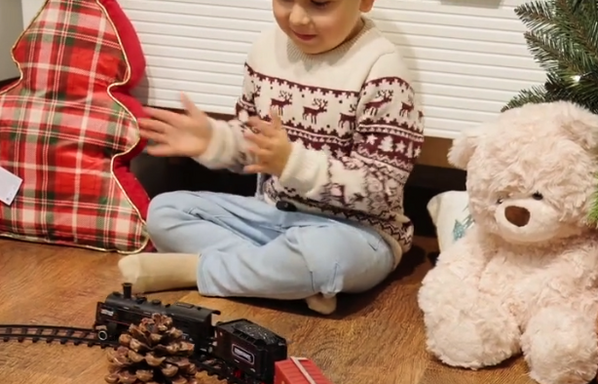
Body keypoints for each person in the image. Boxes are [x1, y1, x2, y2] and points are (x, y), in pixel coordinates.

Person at [119, 0, 424, 315]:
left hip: (355, 232)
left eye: (320, 2)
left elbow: (382, 189)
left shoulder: (384, 71)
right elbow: (254, 146)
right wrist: (216, 141)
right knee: (164, 212)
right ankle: (286, 281)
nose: (298, 18)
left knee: (323, 257)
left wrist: (293, 164)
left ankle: (200, 270)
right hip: (272, 216)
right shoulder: (266, 50)